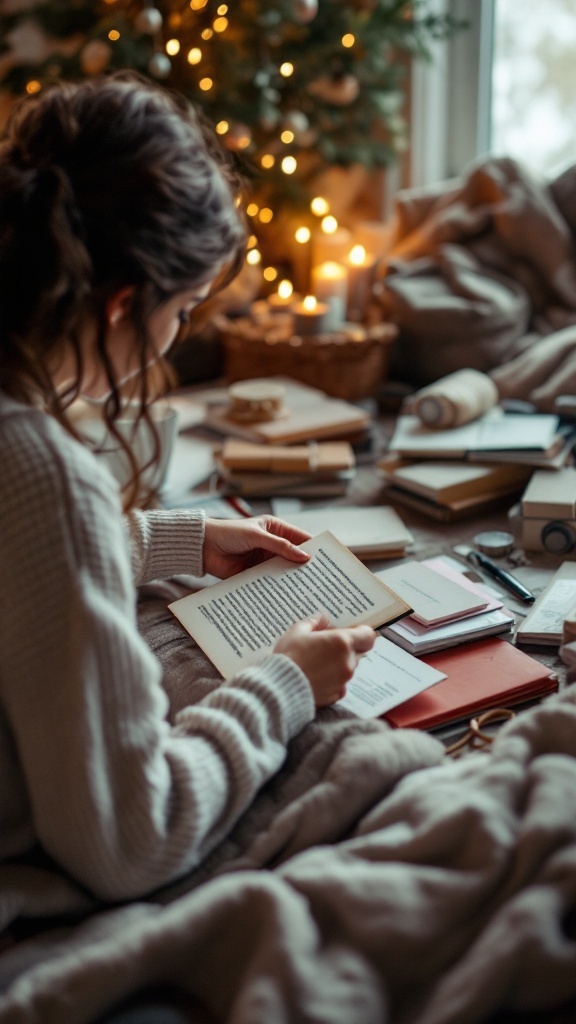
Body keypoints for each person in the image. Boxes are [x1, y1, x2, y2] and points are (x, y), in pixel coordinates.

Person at [0, 73, 376, 905]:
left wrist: (176, 540)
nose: (177, 340)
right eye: (186, 311)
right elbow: (130, 840)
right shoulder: (43, 470)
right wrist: (284, 684)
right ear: (122, 303)